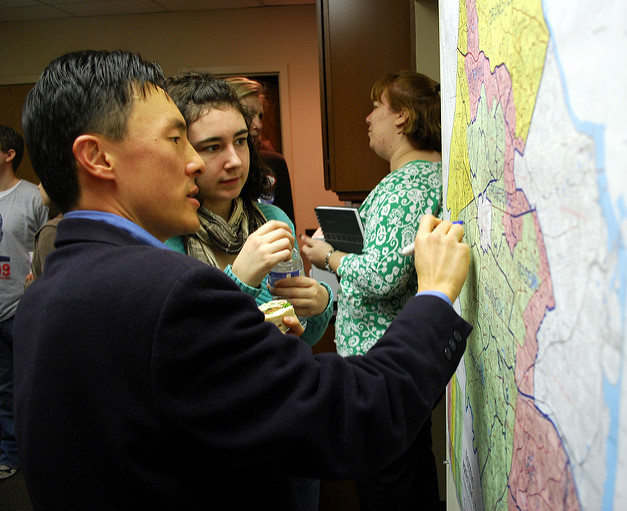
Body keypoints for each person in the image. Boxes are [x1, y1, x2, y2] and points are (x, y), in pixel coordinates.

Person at [14, 50, 471, 511]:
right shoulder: (171, 292)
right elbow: (353, 418)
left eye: (240, 141)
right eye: (177, 140)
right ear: (97, 157)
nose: (196, 163)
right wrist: (433, 295)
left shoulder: (45, 291)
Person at [300, 71, 446, 510]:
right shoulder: (431, 175)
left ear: (401, 117)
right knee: (412, 478)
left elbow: (384, 277)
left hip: (379, 367)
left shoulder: (406, 185)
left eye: (376, 107)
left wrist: (328, 256)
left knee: (387, 491)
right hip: (404, 363)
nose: (368, 118)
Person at [164, 72, 332, 349]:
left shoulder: (272, 220)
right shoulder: (167, 234)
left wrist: (319, 304)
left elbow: (304, 335)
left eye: (241, 141)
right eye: (213, 147)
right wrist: (240, 279)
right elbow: (183, 345)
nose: (234, 161)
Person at [0, 125, 47, 480]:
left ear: (9, 154)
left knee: (30, 387)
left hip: (21, 308)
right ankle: (9, 453)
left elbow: (49, 244)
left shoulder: (32, 196)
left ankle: (33, 457)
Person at [225, 76, 297, 227]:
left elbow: (289, 230)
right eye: (249, 115)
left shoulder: (274, 164)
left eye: (260, 116)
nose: (258, 124)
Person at [24, 183, 63, 287]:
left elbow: (51, 288)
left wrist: (31, 287)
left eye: (42, 181)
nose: (38, 186)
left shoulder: (51, 232)